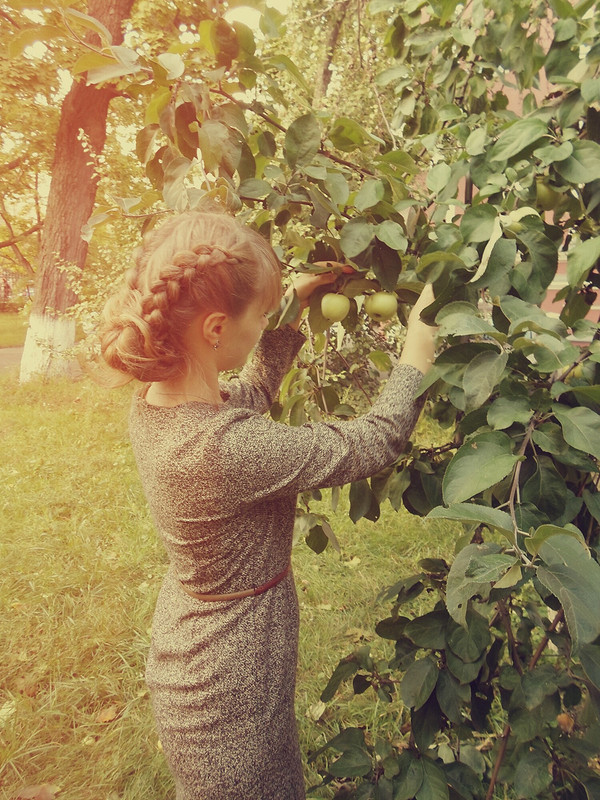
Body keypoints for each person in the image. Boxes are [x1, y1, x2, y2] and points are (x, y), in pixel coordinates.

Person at [99, 208, 437, 800]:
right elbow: (374, 440)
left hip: (218, 653)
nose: (264, 323)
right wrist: (420, 346)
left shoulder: (166, 402)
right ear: (213, 329)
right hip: (227, 685)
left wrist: (291, 307)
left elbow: (249, 396)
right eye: (259, 314)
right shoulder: (221, 449)